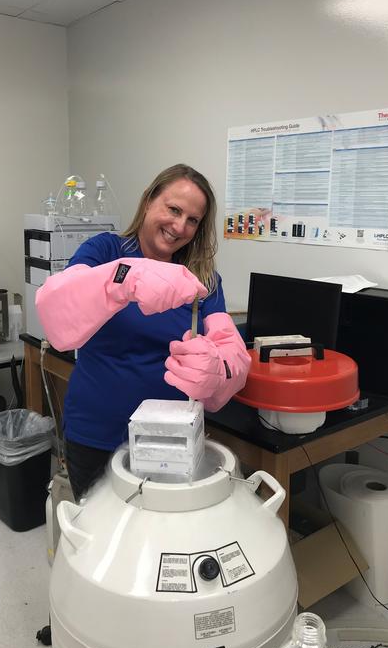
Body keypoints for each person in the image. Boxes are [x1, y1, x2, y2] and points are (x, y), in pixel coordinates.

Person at [36, 163, 251, 500]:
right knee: (103, 540)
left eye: (192, 220)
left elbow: (230, 350)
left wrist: (218, 370)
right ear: (149, 201)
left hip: (170, 441)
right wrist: (125, 277)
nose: (180, 226)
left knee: (161, 542)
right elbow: (57, 313)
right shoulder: (105, 251)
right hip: (97, 434)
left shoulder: (202, 280)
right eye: (174, 209)